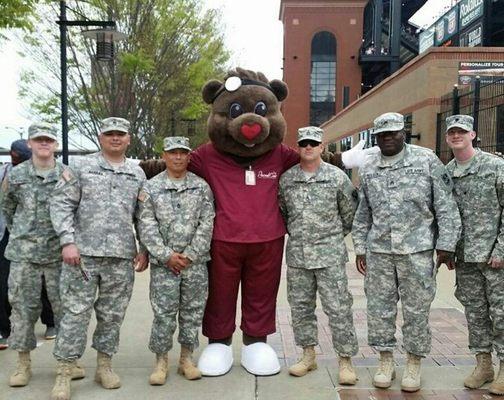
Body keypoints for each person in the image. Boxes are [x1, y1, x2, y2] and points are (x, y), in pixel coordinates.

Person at [352, 112, 461, 392]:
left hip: (417, 251)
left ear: (404, 133)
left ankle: (414, 362)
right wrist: (361, 247)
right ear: (376, 137)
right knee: (379, 309)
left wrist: (447, 244)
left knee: (416, 310)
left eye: (393, 133)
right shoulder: (369, 166)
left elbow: (446, 206)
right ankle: (385, 360)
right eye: (382, 135)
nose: (388, 138)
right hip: (379, 252)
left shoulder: (426, 161)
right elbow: (363, 212)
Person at [49, 117, 148, 400]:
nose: (115, 138)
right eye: (109, 134)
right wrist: (68, 242)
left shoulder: (136, 173)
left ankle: (104, 365)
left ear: (129, 138)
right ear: (100, 137)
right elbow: (61, 205)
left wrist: (143, 248)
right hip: (83, 256)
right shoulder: (80, 167)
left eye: (121, 134)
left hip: (120, 257)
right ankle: (65, 371)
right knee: (75, 314)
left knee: (112, 316)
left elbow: (141, 216)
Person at [1, 124, 84, 387]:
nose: (44, 144)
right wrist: (23, 236)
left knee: (66, 312)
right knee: (23, 311)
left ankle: (68, 363)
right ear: (30, 143)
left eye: (49, 140)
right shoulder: (16, 175)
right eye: (39, 140)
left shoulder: (68, 175)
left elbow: (76, 210)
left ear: (56, 145)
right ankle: (23, 364)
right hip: (24, 255)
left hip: (60, 256)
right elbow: (8, 208)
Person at [279, 126, 359, 385]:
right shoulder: (287, 180)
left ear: (322, 147)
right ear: (298, 147)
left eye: (314, 143)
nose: (309, 148)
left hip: (330, 257)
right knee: (301, 308)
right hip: (299, 258)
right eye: (304, 144)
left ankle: (345, 360)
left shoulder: (337, 178)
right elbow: (283, 213)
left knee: (338, 309)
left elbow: (350, 215)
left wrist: (331, 238)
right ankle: (308, 354)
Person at [137, 136, 214, 385]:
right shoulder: (150, 188)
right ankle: (161, 362)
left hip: (195, 263)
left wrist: (190, 255)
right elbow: (146, 225)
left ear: (189, 156)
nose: (178, 157)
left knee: (192, 313)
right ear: (164, 155)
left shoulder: (201, 187)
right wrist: (166, 255)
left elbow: (208, 223)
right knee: (164, 314)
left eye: (182, 152)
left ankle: (186, 359)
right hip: (164, 266)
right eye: (173, 153)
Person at [444, 114, 504, 396]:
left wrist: (501, 249)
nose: (456, 136)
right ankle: (484, 365)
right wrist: (447, 249)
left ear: (473, 135)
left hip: (494, 256)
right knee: (475, 312)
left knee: (501, 313)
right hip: (465, 257)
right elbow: (444, 214)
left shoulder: (495, 166)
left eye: (462, 132)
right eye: (452, 132)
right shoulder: (448, 172)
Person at [0, 139, 57, 350]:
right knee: (15, 294)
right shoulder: (11, 174)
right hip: (17, 244)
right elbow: (7, 207)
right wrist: (20, 233)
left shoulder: (64, 173)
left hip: (53, 246)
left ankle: (53, 326)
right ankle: (9, 337)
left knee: (54, 295)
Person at [0, 139, 32, 350]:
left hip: (29, 239)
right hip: (6, 235)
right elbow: (6, 206)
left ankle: (50, 322)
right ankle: (5, 329)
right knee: (4, 284)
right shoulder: (5, 174)